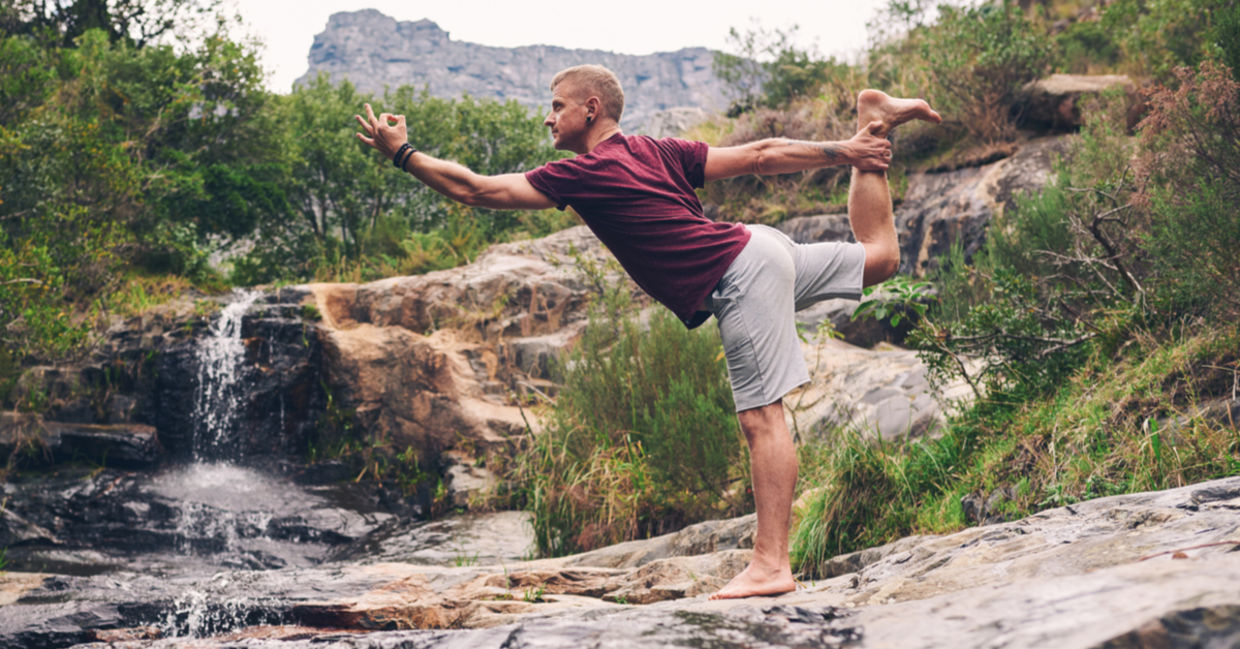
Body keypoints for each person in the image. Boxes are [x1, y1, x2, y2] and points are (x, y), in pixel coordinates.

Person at [355, 64, 940, 599]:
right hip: (760, 248)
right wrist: (852, 146)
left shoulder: (582, 173)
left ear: (590, 108)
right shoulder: (659, 150)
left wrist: (402, 152)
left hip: (737, 272)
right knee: (880, 256)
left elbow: (475, 189)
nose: (547, 115)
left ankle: (771, 565)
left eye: (555, 105)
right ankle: (875, 118)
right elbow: (761, 154)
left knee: (762, 417)